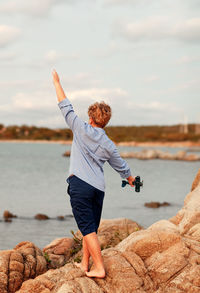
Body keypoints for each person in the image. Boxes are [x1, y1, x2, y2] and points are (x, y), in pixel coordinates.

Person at [52, 70, 135, 278]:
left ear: (90, 117)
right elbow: (121, 166)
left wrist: (56, 82)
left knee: (87, 229)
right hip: (98, 189)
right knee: (92, 229)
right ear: (105, 121)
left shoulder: (80, 128)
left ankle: (99, 268)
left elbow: (65, 105)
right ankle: (85, 263)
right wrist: (131, 179)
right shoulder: (108, 144)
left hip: (80, 185)